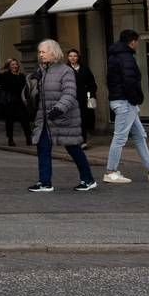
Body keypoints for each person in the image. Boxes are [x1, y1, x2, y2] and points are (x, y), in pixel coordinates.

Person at [28, 39, 96, 192]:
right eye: (39, 52)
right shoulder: (42, 71)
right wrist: (32, 81)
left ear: (53, 52)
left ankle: (88, 179)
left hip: (64, 117)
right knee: (43, 147)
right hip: (45, 118)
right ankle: (44, 182)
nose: (40, 55)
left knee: (73, 148)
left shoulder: (65, 70)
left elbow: (69, 93)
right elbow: (34, 93)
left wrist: (58, 109)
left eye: (43, 52)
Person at [101, 30, 149, 184]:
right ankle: (111, 171)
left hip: (122, 101)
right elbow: (130, 81)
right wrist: (136, 99)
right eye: (137, 42)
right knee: (120, 137)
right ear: (132, 42)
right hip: (125, 102)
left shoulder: (115, 56)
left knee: (140, 136)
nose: (137, 45)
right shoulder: (126, 57)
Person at [67, 48, 99, 147]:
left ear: (78, 57)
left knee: (82, 120)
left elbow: (92, 84)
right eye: (71, 56)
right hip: (70, 98)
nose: (73, 58)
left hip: (83, 98)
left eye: (75, 56)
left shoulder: (85, 69)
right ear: (68, 58)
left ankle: (83, 141)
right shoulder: (65, 69)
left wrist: (91, 95)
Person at [0, 59, 32, 146]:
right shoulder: (5, 75)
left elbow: (25, 88)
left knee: (25, 120)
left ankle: (29, 138)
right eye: (12, 65)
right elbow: (3, 86)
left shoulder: (21, 76)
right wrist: (1, 72)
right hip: (10, 101)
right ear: (9, 66)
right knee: (9, 121)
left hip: (21, 101)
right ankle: (10, 139)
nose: (15, 66)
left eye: (16, 64)